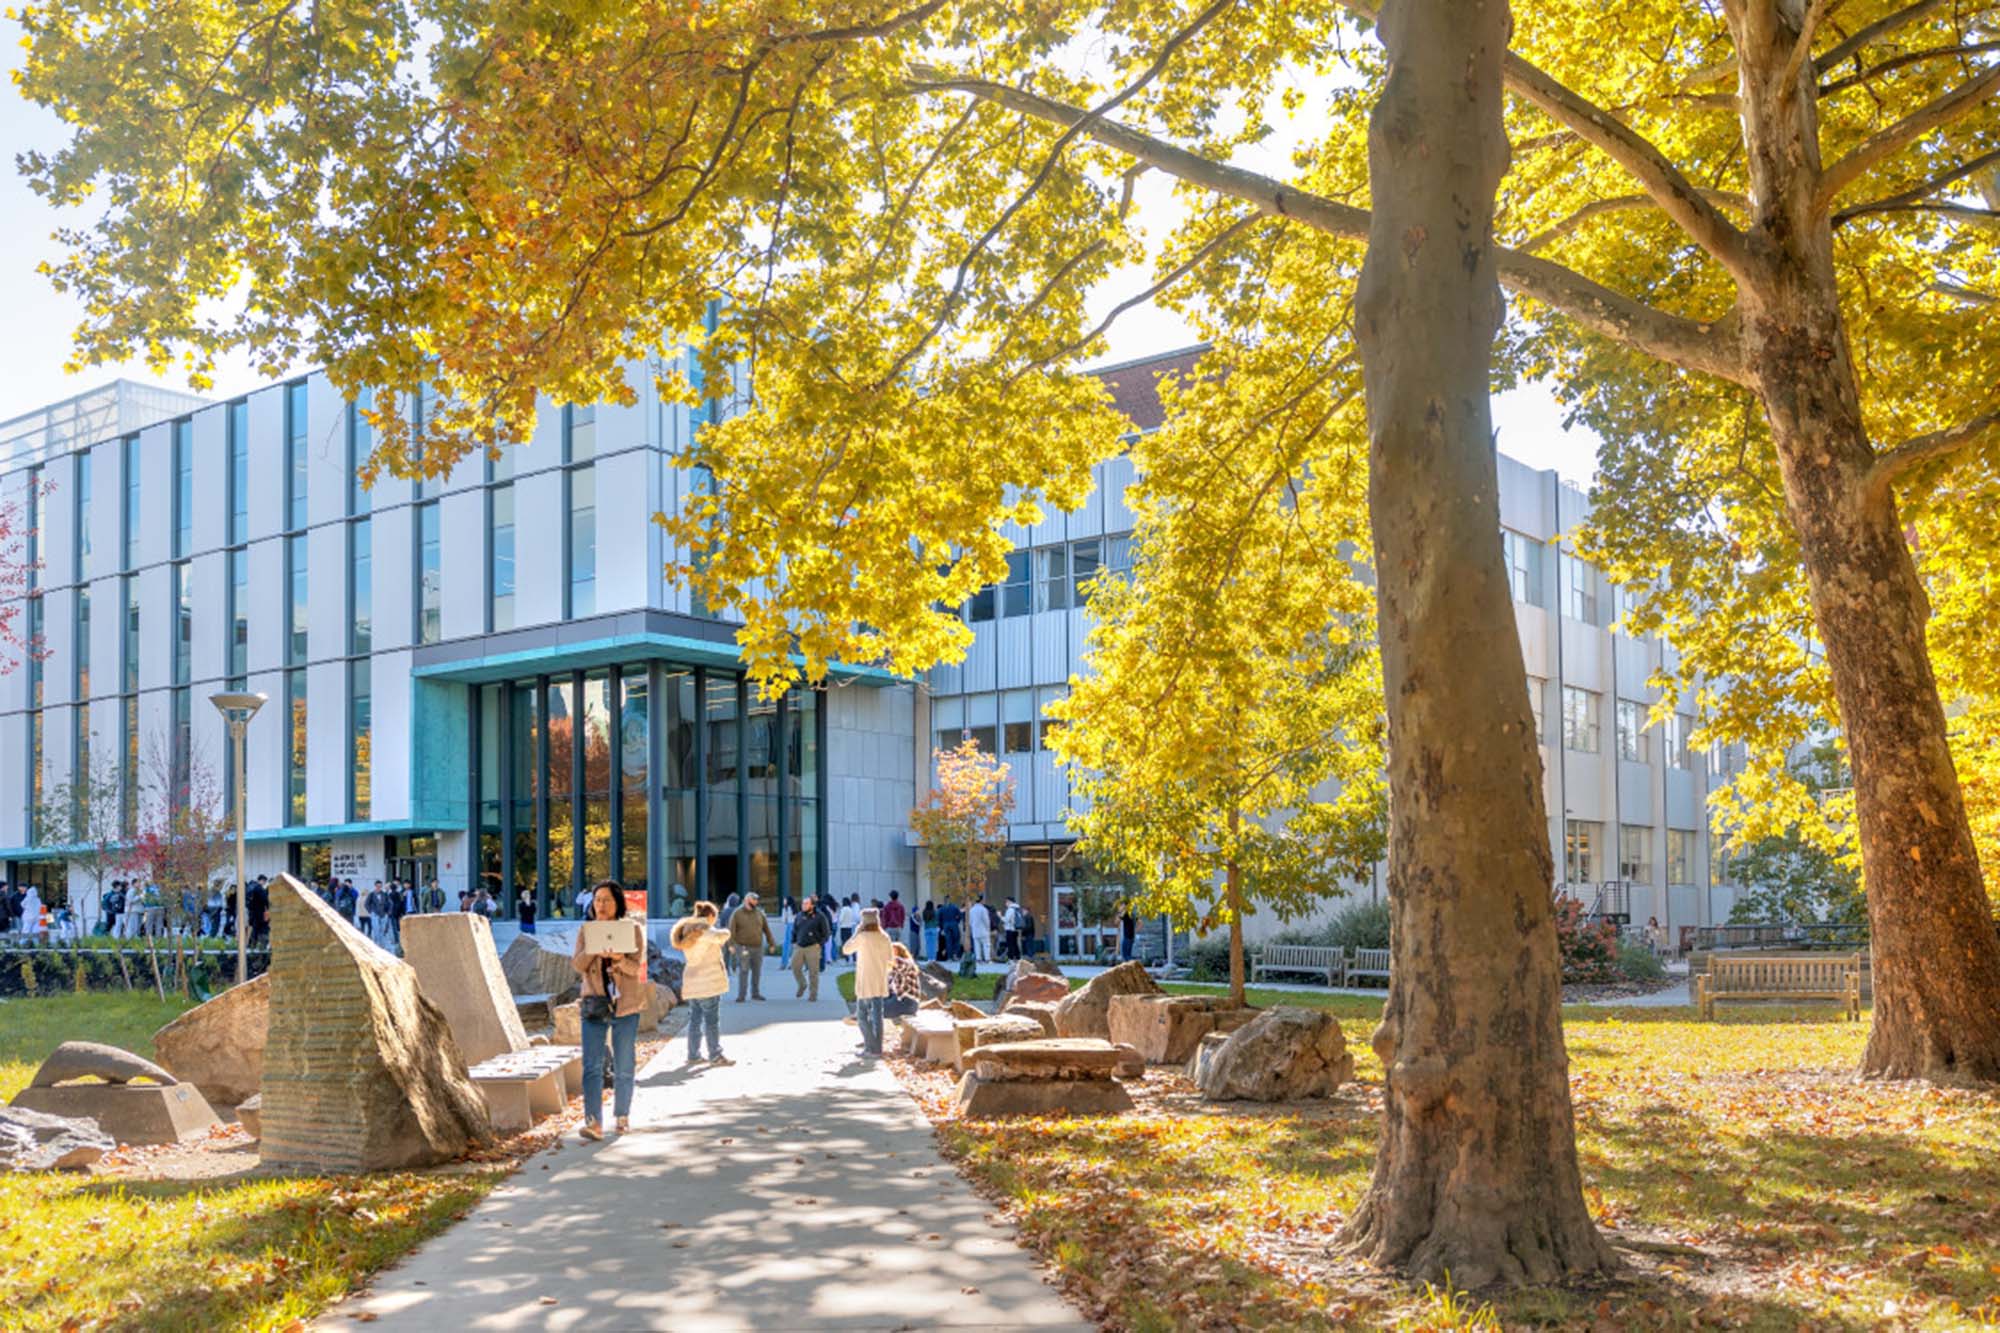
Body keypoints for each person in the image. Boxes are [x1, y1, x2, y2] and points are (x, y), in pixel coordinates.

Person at [571, 879, 648, 1140]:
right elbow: (578, 965)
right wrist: (594, 950)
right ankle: (593, 1122)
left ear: (618, 904)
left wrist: (619, 959)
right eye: (597, 900)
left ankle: (622, 1115)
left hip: (625, 1004)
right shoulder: (586, 929)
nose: (601, 905)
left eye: (606, 900)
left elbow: (636, 968)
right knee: (592, 1065)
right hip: (594, 1002)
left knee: (624, 1063)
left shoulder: (633, 930)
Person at [672, 901, 732, 1067]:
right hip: (708, 983)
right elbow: (722, 936)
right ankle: (715, 1054)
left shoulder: (687, 931)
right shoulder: (705, 930)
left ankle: (693, 1054)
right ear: (710, 916)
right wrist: (726, 930)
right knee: (712, 1021)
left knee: (695, 1020)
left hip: (692, 982)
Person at [844, 907, 895, 1055]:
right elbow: (891, 959)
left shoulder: (862, 937)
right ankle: (877, 1048)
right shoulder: (884, 937)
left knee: (862, 1016)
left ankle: (869, 1046)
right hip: (879, 982)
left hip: (866, 982)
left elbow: (846, 949)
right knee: (878, 1016)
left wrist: (856, 932)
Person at [729, 892, 776, 1001]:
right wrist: (731, 945)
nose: (756, 902)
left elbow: (767, 930)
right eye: (754, 900)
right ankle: (742, 995)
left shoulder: (759, 913)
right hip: (743, 947)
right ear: (747, 900)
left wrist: (771, 943)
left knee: (757, 971)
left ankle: (755, 993)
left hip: (758, 947)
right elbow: (731, 930)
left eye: (756, 900)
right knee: (744, 970)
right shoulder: (737, 913)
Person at [791, 895, 830, 1000]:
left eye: (806, 903)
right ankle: (802, 984)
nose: (803, 905)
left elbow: (826, 933)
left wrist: (820, 943)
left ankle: (813, 994)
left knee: (813, 972)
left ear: (812, 905)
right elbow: (794, 930)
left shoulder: (820, 916)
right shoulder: (799, 916)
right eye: (803, 903)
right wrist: (793, 942)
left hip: (813, 947)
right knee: (795, 967)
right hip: (799, 946)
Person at [884, 941, 922, 1021]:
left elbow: (897, 962)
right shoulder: (893, 972)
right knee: (875, 1003)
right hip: (897, 1000)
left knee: (877, 1010)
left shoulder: (908, 963)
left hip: (908, 1003)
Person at [881, 890, 907, 954]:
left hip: (889, 927)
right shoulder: (901, 906)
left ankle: (891, 959)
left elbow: (885, 917)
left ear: (890, 897)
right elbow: (903, 916)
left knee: (890, 945)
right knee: (898, 945)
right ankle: (898, 958)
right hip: (898, 927)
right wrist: (901, 925)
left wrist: (884, 926)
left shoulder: (887, 906)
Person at [968, 897, 992, 964]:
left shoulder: (971, 910)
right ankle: (987, 959)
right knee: (986, 945)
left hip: (975, 931)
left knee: (977, 945)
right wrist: (988, 929)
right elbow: (986, 920)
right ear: (982, 900)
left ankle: (978, 959)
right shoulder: (983, 909)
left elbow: (970, 922)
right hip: (983, 930)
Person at [836, 896, 860, 960]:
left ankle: (847, 958)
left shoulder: (843, 909)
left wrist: (840, 922)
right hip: (849, 928)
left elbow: (841, 919)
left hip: (843, 928)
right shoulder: (850, 909)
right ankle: (854, 957)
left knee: (844, 943)